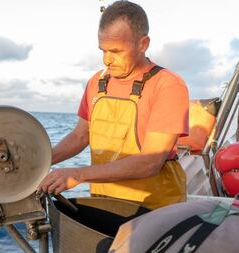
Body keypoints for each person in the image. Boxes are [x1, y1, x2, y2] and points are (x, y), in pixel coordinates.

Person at [37, 0, 189, 209]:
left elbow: (150, 162)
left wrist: (78, 174)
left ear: (143, 44)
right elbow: (81, 135)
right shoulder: (98, 82)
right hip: (105, 203)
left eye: (116, 51)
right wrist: (39, 162)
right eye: (103, 50)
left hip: (154, 208)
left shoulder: (168, 85)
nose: (107, 60)